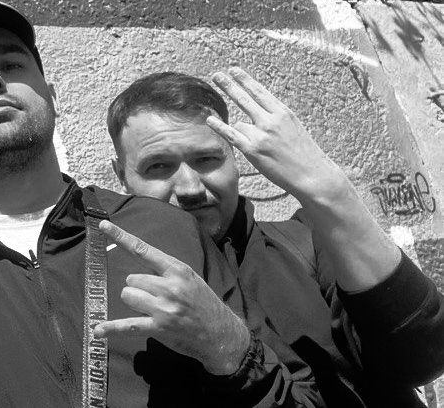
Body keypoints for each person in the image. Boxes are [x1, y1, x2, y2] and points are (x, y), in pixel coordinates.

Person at [0, 0, 321, 407]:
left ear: (52, 98)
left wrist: (232, 351)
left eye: (11, 63)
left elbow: (305, 399)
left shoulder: (164, 230)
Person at [107, 69, 444, 407]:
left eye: (206, 159)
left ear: (234, 158)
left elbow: (423, 357)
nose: (190, 188)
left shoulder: (308, 241)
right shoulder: (106, 297)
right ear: (121, 174)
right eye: (158, 167)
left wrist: (330, 190)